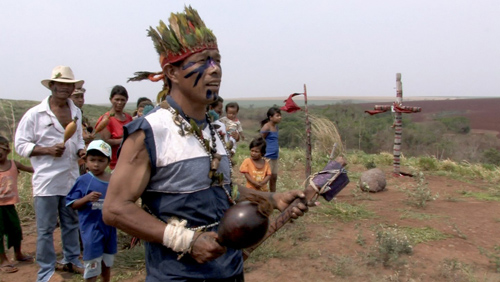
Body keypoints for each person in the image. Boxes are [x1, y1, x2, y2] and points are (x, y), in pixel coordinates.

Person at [103, 6, 308, 281]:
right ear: (172, 73)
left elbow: (220, 193)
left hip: (230, 270)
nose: (215, 70)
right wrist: (186, 240)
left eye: (217, 60)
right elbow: (115, 209)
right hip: (178, 275)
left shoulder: (214, 127)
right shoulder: (150, 131)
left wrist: (273, 199)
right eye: (203, 60)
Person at [15, 65, 86, 281]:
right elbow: (20, 145)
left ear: (73, 87)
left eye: (68, 84)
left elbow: (78, 138)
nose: (64, 88)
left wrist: (81, 150)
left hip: (70, 178)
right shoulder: (35, 114)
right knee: (45, 228)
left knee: (71, 222)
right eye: (60, 84)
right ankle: (46, 269)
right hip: (46, 180)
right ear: (52, 85)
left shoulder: (76, 112)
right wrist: (46, 150)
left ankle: (72, 259)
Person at [66, 140, 116, 282]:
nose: (96, 164)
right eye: (92, 160)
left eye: (101, 160)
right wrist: (86, 199)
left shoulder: (113, 180)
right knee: (92, 263)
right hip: (91, 229)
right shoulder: (83, 180)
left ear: (108, 162)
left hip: (110, 228)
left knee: (107, 262)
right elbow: (72, 204)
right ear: (85, 161)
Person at [0, 137, 34, 274]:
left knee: (15, 230)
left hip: (9, 205)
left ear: (7, 150)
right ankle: (2, 260)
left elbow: (32, 169)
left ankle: (18, 253)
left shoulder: (14, 164)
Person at [96, 85, 133, 170]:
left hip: (128, 160)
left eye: (122, 100)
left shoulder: (128, 118)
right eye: (117, 99)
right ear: (111, 100)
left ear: (126, 100)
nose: (119, 103)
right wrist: (125, 139)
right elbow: (106, 141)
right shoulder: (106, 119)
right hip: (113, 163)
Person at [71, 87, 94, 175]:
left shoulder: (82, 117)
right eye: (76, 97)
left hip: (84, 159)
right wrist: (84, 138)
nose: (80, 100)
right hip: (74, 160)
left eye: (82, 97)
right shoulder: (66, 116)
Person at [260, 106, 282, 192]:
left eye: (280, 115)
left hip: (274, 156)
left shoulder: (276, 127)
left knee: (274, 177)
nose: (280, 117)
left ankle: (273, 196)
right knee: (265, 178)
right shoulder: (266, 127)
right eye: (277, 115)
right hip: (267, 156)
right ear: (270, 117)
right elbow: (261, 140)